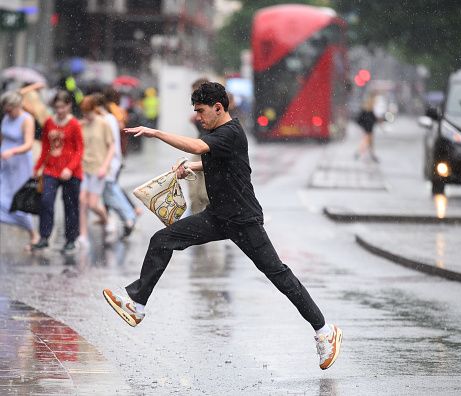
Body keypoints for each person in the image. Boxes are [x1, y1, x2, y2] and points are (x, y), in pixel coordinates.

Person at [103, 82, 342, 370]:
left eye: (201, 111)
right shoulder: (219, 133)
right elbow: (217, 160)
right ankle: (137, 304)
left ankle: (325, 330)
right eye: (195, 112)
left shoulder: (229, 132)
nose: (198, 117)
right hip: (218, 216)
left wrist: (155, 132)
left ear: (219, 107)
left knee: (278, 274)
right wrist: (191, 167)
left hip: (243, 219)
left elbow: (198, 147)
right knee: (162, 240)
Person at [31, 91, 84, 253]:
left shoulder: (74, 124)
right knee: (46, 201)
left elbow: (79, 149)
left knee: (70, 206)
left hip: (71, 172)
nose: (60, 110)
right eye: (57, 107)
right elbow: (45, 146)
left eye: (63, 107)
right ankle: (44, 237)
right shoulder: (49, 122)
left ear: (69, 106)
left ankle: (70, 239)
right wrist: (37, 167)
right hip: (51, 169)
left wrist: (70, 168)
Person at [94, 93, 137, 237]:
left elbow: (108, 142)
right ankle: (126, 217)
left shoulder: (106, 119)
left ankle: (129, 216)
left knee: (110, 191)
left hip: (109, 161)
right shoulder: (111, 117)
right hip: (114, 160)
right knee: (110, 191)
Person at [0, 91, 39, 248]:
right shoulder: (6, 118)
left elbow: (29, 144)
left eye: (10, 110)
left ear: (17, 106)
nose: (8, 113)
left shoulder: (27, 119)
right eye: (6, 111)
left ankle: (33, 234)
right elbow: (2, 137)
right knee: (2, 196)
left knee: (18, 200)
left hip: (20, 162)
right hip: (5, 162)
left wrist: (13, 151)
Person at [78, 95, 116, 246]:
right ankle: (83, 235)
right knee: (82, 201)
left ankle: (107, 219)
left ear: (94, 109)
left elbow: (112, 146)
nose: (86, 115)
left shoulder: (103, 124)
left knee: (93, 204)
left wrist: (105, 166)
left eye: (88, 112)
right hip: (84, 167)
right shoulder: (82, 125)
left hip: (98, 168)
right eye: (83, 112)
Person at [187, 77, 210, 214]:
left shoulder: (212, 108)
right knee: (195, 193)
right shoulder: (199, 108)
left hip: (208, 147)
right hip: (199, 146)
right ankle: (194, 217)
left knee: (204, 194)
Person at [355, 95, 379, 162]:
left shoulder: (370, 111)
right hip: (366, 130)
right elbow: (359, 120)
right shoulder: (365, 112)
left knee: (368, 143)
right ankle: (360, 154)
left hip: (370, 130)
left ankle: (361, 154)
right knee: (366, 143)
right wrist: (364, 126)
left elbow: (374, 120)